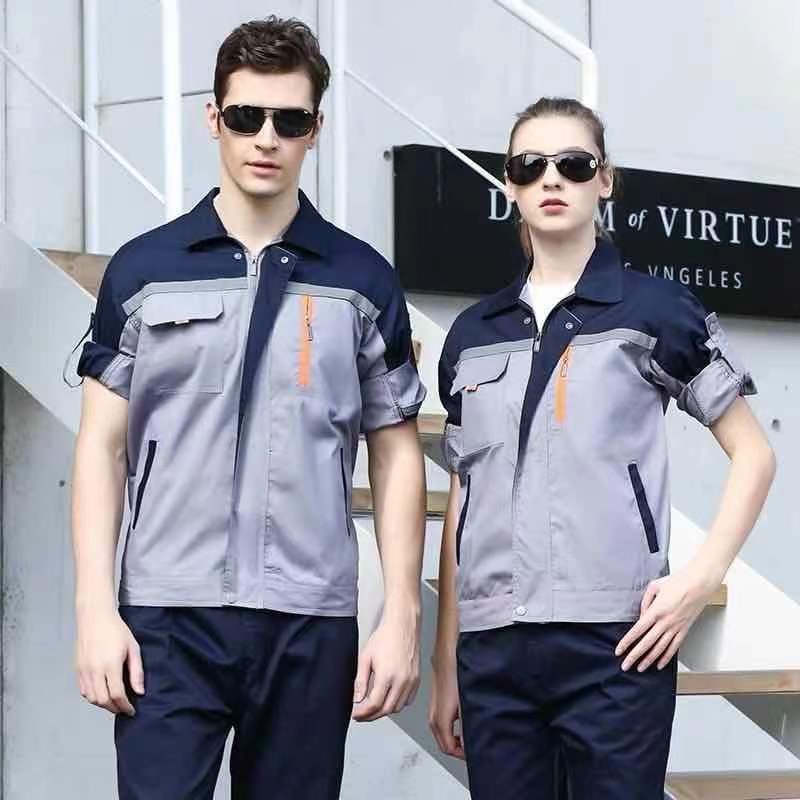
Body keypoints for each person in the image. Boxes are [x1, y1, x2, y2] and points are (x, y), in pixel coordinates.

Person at [71, 16, 426, 799]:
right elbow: (100, 446)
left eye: (290, 121)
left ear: (315, 130)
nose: (267, 138)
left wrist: (402, 616)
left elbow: (398, 454)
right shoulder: (144, 270)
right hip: (167, 617)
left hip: (309, 620)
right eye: (246, 116)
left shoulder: (362, 280)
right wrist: (95, 608)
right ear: (214, 119)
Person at [428, 97, 776, 798]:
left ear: (604, 180)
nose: (551, 178)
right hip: (494, 650)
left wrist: (697, 582)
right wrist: (445, 659)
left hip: (615, 643)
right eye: (530, 166)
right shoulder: (472, 336)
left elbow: (755, 454)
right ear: (510, 186)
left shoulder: (655, 311)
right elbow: (464, 495)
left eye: (574, 163)